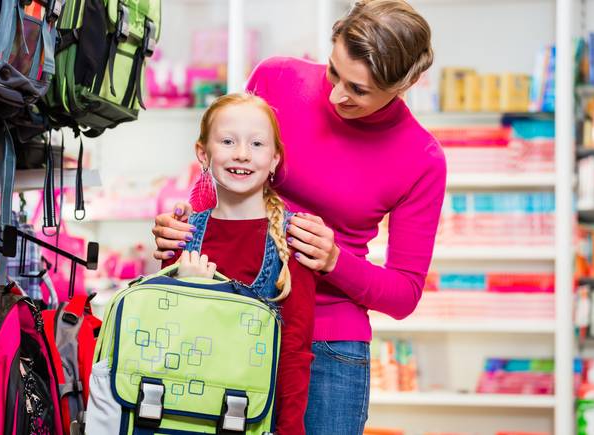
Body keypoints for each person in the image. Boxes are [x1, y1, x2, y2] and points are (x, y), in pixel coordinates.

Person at [152, 1, 446, 433]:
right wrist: (182, 229)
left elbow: (404, 293)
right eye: (333, 71)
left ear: (408, 84)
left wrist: (334, 261)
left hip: (329, 345)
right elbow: (213, 180)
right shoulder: (278, 77)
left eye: (359, 90)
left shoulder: (421, 159)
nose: (336, 95)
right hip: (229, 317)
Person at [162, 93, 316, 434]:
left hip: (257, 419)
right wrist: (184, 288)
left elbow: (295, 349)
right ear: (204, 153)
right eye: (228, 141)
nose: (242, 153)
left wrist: (290, 429)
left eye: (257, 143)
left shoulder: (292, 240)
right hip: (185, 415)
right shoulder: (184, 236)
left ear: (275, 159)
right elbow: (163, 339)